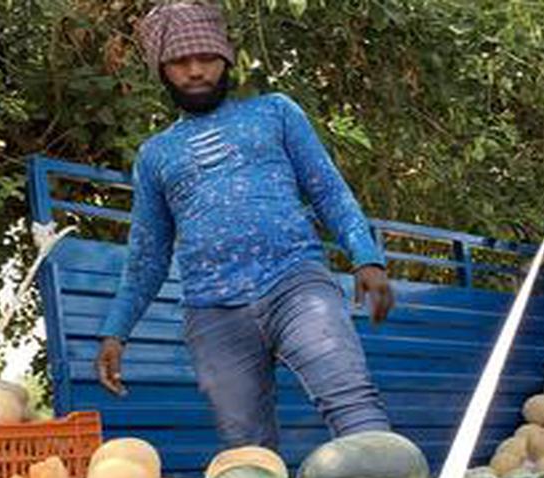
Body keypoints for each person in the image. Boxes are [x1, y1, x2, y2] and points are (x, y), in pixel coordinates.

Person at [95, 1, 395, 452]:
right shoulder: (155, 156)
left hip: (296, 285)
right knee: (246, 448)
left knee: (352, 401)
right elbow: (148, 257)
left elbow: (328, 190)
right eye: (180, 62)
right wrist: (115, 330)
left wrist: (365, 255)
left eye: (206, 58)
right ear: (162, 70)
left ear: (227, 59)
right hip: (212, 312)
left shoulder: (275, 113)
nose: (195, 71)